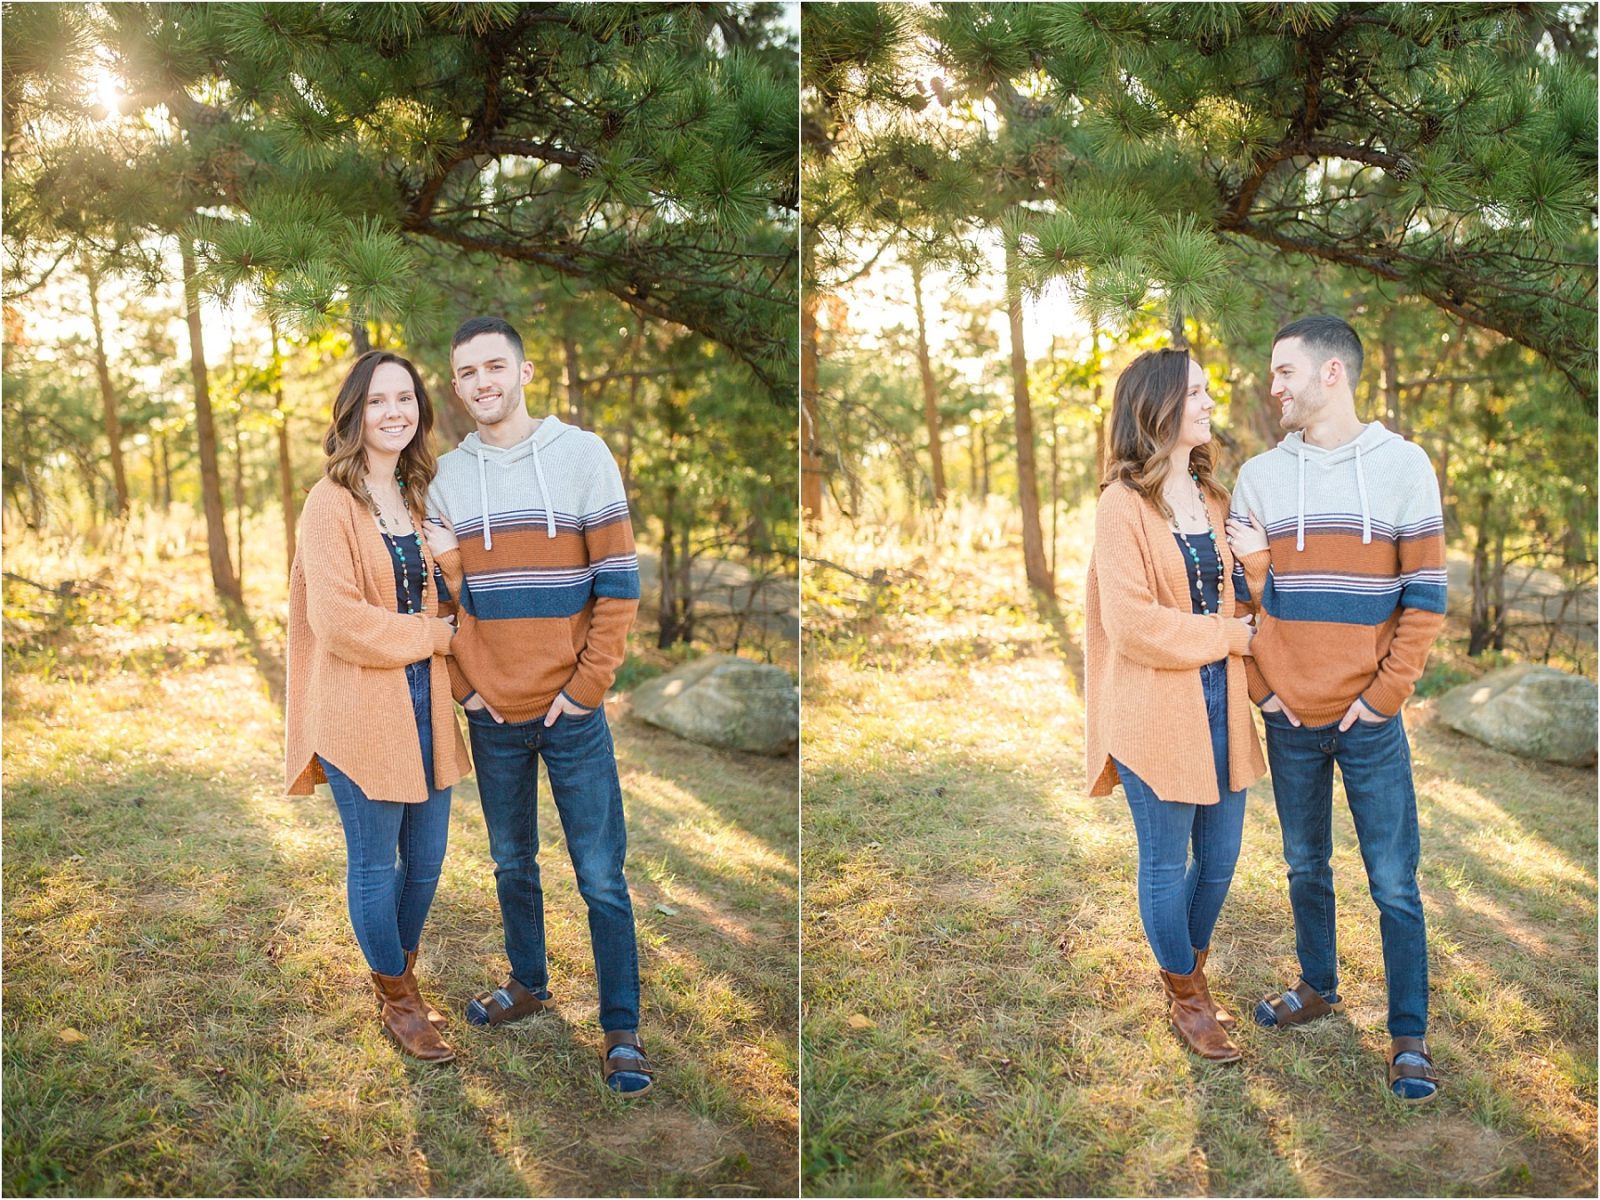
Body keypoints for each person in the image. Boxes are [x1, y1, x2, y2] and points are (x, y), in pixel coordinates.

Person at [422, 316, 652, 1096]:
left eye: (495, 367)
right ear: (454, 387)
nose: (482, 382)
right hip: (495, 715)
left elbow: (617, 585)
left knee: (599, 874)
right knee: (511, 860)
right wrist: (466, 690)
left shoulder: (583, 457)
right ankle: (528, 984)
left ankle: (621, 1028)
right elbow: (440, 597)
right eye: (466, 373)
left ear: (523, 373)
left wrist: (586, 690)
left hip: (573, 716)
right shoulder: (446, 480)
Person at [1225, 314, 1447, 1103]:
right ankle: (1317, 985)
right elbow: (1239, 597)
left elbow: (1424, 598)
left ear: (1331, 375)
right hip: (1289, 718)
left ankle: (1409, 1035)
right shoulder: (1258, 476)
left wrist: (1385, 697)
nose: (1272, 386)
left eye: (1284, 371)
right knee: (1303, 865)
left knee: (1393, 882)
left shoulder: (1404, 468)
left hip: (1370, 722)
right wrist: (1264, 691)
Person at [1084, 347, 1267, 1064]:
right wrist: (1228, 636)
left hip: (1224, 701)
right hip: (1154, 705)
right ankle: (1189, 996)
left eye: (1206, 390)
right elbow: (1131, 622)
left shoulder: (1216, 500)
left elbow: (1245, 597)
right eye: (1195, 392)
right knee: (1165, 864)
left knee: (1219, 858)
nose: (1209, 400)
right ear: (1157, 406)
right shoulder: (1120, 505)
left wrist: (1253, 568)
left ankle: (1184, 966)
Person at [284, 350, 468, 1064]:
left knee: (425, 861)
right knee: (374, 862)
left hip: (427, 702)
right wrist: (432, 636)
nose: (395, 411)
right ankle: (399, 998)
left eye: (406, 399)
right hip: (360, 707)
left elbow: (443, 594)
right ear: (354, 413)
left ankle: (402, 971)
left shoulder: (420, 496)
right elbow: (340, 621)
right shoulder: (329, 501)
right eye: (378, 401)